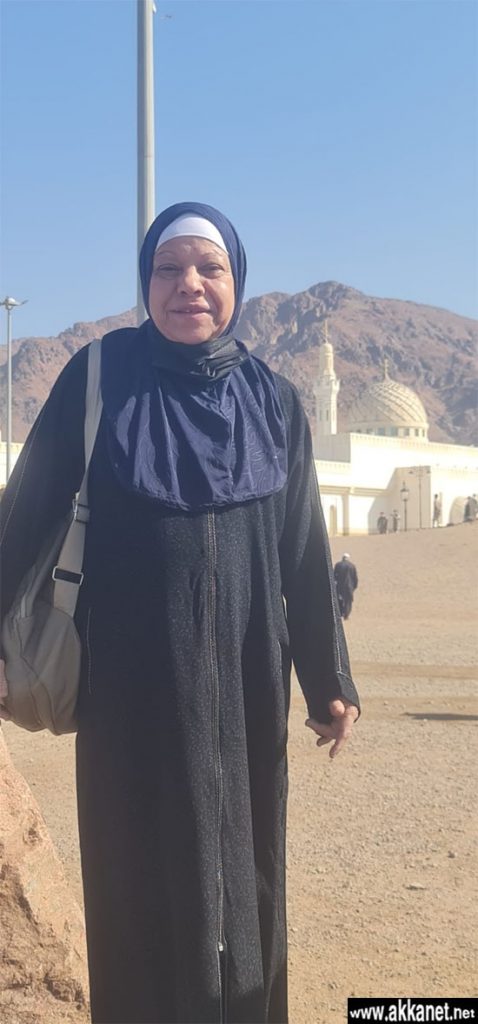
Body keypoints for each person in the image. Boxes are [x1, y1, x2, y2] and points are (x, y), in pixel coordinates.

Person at [0, 202, 360, 1024]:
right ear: (145, 283)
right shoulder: (100, 377)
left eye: (209, 268)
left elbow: (304, 554)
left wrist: (328, 681)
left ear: (236, 281)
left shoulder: (274, 401)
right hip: (131, 688)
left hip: (248, 688)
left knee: (249, 876)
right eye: (168, 269)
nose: (188, 284)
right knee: (136, 877)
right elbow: (26, 514)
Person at [333, 553, 359, 620]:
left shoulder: (338, 565)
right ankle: (346, 615)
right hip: (349, 586)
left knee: (339, 599)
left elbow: (334, 575)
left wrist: (335, 583)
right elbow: (355, 578)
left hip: (340, 586)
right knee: (348, 601)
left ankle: (340, 613)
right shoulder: (352, 566)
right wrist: (354, 586)